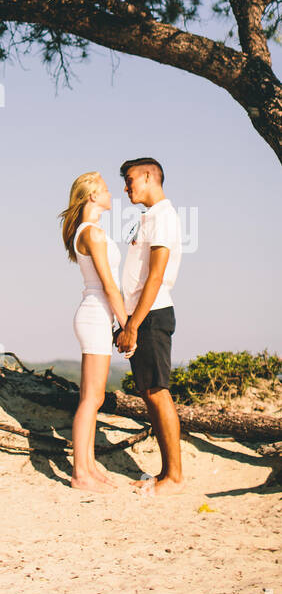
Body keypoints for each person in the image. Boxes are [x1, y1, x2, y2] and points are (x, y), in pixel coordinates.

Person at [114, 157, 184, 494]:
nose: (126, 187)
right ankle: (164, 472)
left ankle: (174, 477)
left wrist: (134, 325)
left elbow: (156, 277)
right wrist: (126, 322)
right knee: (148, 392)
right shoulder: (149, 218)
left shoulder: (164, 216)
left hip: (153, 315)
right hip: (141, 316)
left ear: (147, 176)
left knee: (158, 391)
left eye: (129, 180)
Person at [60, 171, 132, 493]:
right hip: (94, 315)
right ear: (92, 196)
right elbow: (109, 286)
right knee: (91, 399)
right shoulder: (92, 234)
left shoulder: (89, 232)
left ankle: (88, 466)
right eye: (104, 190)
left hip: (96, 316)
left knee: (93, 396)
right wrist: (128, 325)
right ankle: (80, 474)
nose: (110, 194)